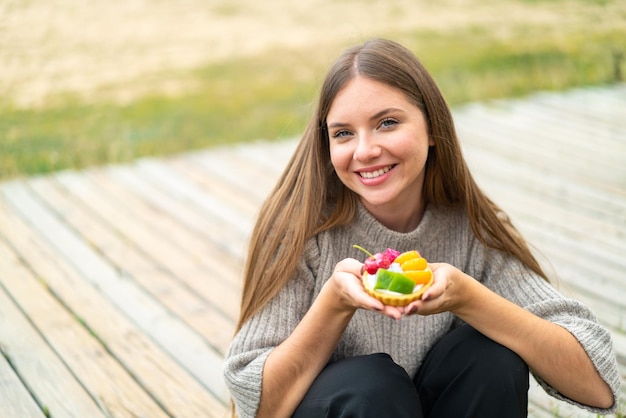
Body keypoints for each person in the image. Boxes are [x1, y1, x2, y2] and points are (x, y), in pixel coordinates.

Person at [223, 38, 620, 417]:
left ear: (432, 129)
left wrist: (467, 297)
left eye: (387, 123)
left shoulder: (470, 230)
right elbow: (256, 407)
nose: (364, 151)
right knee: (371, 385)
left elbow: (598, 383)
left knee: (489, 358)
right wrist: (333, 305)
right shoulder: (301, 234)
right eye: (343, 133)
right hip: (355, 407)